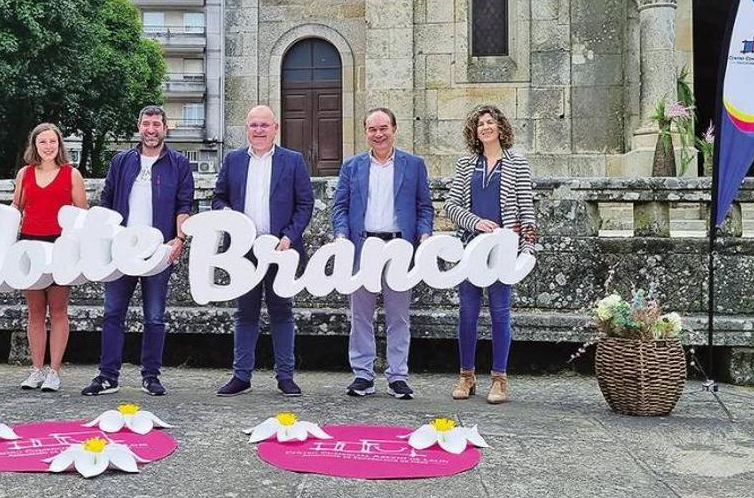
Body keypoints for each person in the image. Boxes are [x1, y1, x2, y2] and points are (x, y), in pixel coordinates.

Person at [82, 106, 193, 397]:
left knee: (155, 316)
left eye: (157, 124)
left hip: (158, 251)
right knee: (112, 313)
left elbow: (185, 205)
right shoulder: (121, 161)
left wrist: (179, 238)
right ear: (139, 127)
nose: (151, 129)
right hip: (121, 249)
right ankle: (108, 377)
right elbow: (106, 201)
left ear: (165, 128)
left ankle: (151, 376)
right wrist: (103, 241)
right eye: (146, 124)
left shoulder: (179, 164)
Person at [212, 105, 315, 397]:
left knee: (282, 313)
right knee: (245, 314)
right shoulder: (232, 160)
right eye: (253, 125)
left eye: (264, 125)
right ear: (247, 129)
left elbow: (304, 204)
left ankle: (285, 377)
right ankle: (241, 376)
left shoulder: (293, 161)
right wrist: (229, 214)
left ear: (275, 128)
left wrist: (288, 237)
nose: (258, 130)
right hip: (242, 253)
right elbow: (217, 198)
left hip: (280, 250)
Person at [332, 107, 433, 400]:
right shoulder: (351, 167)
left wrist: (424, 234)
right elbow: (340, 207)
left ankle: (397, 376)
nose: (378, 134)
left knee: (399, 317)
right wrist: (341, 235)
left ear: (394, 129)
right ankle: (363, 375)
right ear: (366, 133)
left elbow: (424, 207)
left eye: (383, 128)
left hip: (399, 248)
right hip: (363, 248)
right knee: (360, 315)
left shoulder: (413, 165)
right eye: (372, 129)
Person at [444, 104, 536, 404]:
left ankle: (499, 379)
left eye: (490, 122)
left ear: (500, 127)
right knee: (467, 313)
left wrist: (528, 249)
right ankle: (466, 375)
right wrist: (475, 222)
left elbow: (527, 209)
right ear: (475, 131)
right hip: (472, 247)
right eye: (480, 123)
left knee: (500, 312)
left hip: (504, 248)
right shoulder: (466, 165)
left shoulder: (517, 164)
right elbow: (451, 206)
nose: (485, 127)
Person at [12, 123, 87, 392]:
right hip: (29, 245)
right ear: (35, 145)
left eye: (52, 141)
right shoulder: (25, 173)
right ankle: (36, 370)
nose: (47, 146)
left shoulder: (71, 174)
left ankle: (54, 372)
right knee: (34, 311)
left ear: (59, 145)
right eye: (42, 142)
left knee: (57, 309)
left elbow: (81, 212)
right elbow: (16, 208)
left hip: (60, 245)